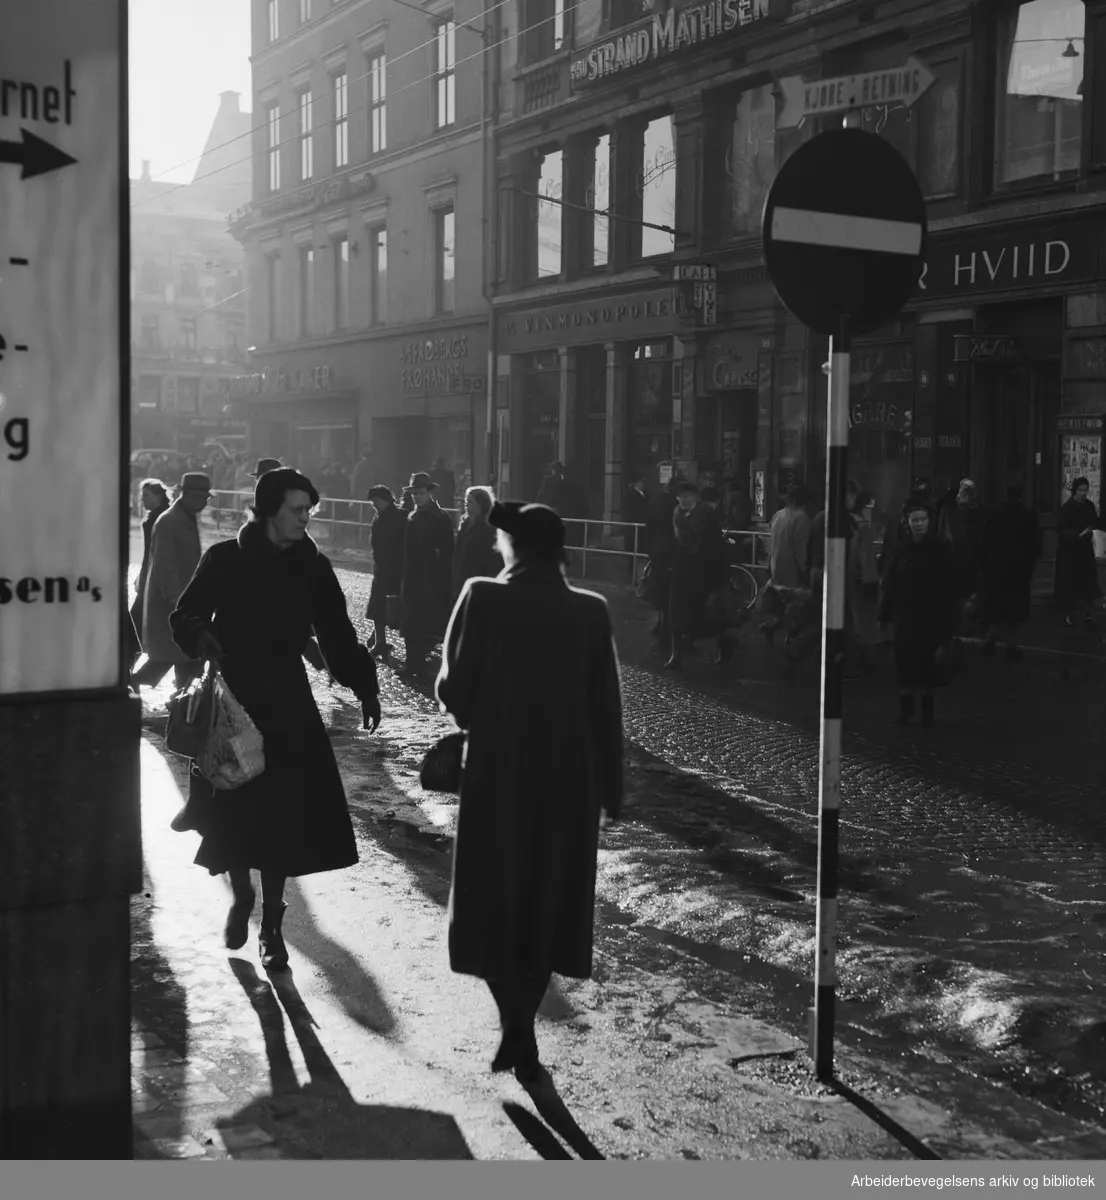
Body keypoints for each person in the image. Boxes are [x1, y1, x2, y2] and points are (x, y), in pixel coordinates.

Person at [435, 501, 623, 1084]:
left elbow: (454, 690)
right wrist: (612, 790)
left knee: (492, 900)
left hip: (499, 775)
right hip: (570, 782)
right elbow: (606, 710)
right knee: (549, 903)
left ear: (513, 547)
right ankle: (523, 1022)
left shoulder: (482, 596)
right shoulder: (592, 611)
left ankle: (514, 1019)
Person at [167, 468, 382, 969]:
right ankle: (242, 894)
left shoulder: (312, 566)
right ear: (267, 510)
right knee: (236, 811)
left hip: (287, 701)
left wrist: (364, 685)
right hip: (234, 700)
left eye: (309, 509)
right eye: (296, 509)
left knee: (282, 816)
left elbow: (337, 634)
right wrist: (200, 635)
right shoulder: (224, 558)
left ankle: (273, 924)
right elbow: (185, 613)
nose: (306, 518)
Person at [877, 497, 959, 728]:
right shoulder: (902, 549)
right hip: (906, 616)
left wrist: (950, 622)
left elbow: (949, 587)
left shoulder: (941, 549)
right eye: (915, 520)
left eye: (922, 519)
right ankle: (905, 710)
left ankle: (927, 712)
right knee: (905, 663)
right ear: (908, 522)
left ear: (929, 521)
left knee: (927, 666)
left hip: (932, 616)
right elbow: (892, 583)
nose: (919, 524)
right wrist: (884, 613)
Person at [130, 473, 212, 693]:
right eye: (203, 497)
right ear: (189, 495)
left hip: (181, 604)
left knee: (178, 658)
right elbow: (166, 567)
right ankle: (182, 707)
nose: (206, 502)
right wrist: (179, 602)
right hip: (172, 605)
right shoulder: (169, 521)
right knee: (181, 657)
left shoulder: (185, 518)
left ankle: (181, 704)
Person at [665, 481, 732, 670]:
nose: (682, 499)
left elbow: (714, 545)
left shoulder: (705, 513)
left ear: (695, 496)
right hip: (682, 569)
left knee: (708, 614)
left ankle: (724, 646)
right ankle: (675, 654)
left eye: (686, 495)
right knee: (676, 612)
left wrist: (717, 575)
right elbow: (676, 540)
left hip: (704, 569)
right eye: (679, 496)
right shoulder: (677, 513)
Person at [399, 471, 456, 679]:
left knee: (425, 624)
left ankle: (421, 665)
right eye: (414, 493)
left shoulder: (439, 517)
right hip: (413, 577)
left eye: (420, 493)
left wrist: (437, 573)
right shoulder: (412, 516)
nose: (417, 497)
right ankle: (412, 663)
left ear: (429, 493)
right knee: (411, 622)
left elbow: (447, 550)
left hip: (431, 579)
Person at [980, 484, 1040, 662]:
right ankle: (1010, 645)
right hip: (1018, 570)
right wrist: (1030, 566)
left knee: (995, 604)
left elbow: (985, 542)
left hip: (996, 568)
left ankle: (990, 637)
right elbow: (1034, 544)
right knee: (1014, 609)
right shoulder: (1028, 516)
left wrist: (985, 565)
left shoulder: (995, 514)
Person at [128, 478, 171, 676]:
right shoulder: (157, 515)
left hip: (152, 579)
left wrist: (145, 576)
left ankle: (130, 668)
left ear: (158, 495)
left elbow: (155, 554)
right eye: (141, 495)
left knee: (136, 622)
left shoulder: (160, 517)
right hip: (148, 576)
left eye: (146, 495)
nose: (142, 499)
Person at [364, 484, 408, 661]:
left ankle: (380, 641)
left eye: (374, 500)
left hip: (393, 569)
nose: (373, 504)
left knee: (385, 606)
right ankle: (379, 639)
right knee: (379, 605)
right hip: (382, 568)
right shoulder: (381, 515)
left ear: (383, 499)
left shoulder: (397, 517)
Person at [1054, 476, 1101, 630]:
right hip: (1071, 551)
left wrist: (1089, 531)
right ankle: (1070, 614)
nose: (1083, 493)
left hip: (1085, 551)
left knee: (1088, 585)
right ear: (1075, 490)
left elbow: (1094, 521)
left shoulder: (1089, 506)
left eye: (1085, 490)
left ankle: (1089, 614)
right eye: (1080, 490)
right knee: (1071, 584)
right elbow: (1061, 528)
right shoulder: (1067, 507)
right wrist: (1075, 535)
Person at [641, 474, 682, 644]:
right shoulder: (677, 503)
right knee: (674, 590)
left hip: (657, 550)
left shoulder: (655, 499)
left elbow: (648, 525)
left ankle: (660, 622)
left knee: (659, 587)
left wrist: (649, 548)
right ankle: (670, 627)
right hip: (674, 551)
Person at [452, 486, 503, 600]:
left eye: (470, 502)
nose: (466, 505)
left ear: (481, 505)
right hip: (461, 580)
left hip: (479, 582)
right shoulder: (465, 525)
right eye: (466, 501)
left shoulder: (488, 528)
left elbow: (492, 562)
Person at [769, 484, 811, 589]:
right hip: (792, 572)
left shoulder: (778, 515)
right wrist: (804, 570)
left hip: (775, 568)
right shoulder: (801, 518)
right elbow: (800, 548)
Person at [624, 473, 649, 561]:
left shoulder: (644, 493)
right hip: (635, 522)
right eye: (640, 481)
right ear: (635, 483)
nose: (642, 483)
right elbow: (631, 509)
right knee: (633, 543)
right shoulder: (631, 494)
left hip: (643, 522)